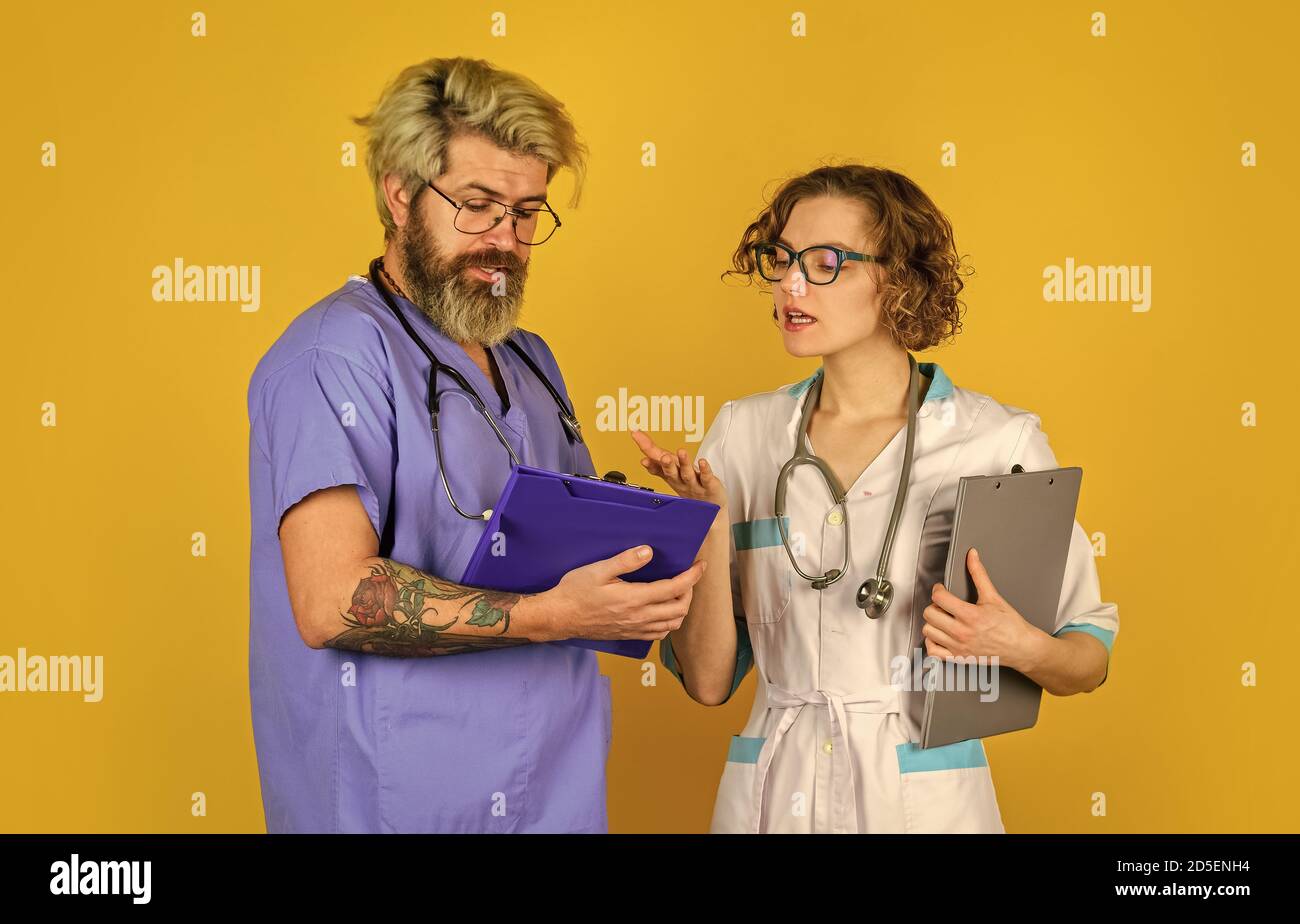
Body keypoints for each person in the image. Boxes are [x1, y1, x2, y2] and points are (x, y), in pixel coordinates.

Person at [246, 56, 703, 833]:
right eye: (479, 205)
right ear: (399, 194)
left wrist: (657, 543)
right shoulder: (331, 357)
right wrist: (546, 617)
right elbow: (332, 601)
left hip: (555, 788)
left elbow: (560, 557)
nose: (506, 241)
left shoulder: (529, 358)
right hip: (399, 799)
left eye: (528, 212)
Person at [632, 164, 1120, 834]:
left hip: (920, 800)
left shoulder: (995, 442)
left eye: (826, 262)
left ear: (897, 278)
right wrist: (705, 522)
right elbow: (709, 683)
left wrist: (1016, 645)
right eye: (781, 260)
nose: (790, 284)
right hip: (774, 794)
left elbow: (1087, 660)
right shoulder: (743, 436)